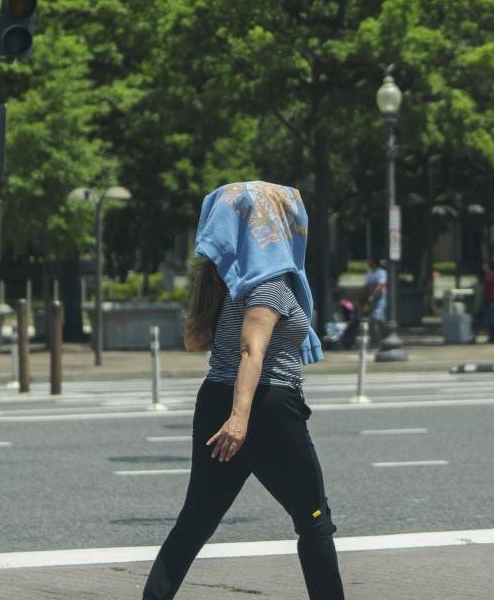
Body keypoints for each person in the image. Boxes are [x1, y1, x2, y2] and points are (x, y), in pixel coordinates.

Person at [142, 181, 345, 600]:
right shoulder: (268, 282)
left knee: (195, 521)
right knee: (314, 522)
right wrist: (240, 420)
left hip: (216, 398)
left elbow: (196, 343)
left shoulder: (227, 280)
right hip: (264, 407)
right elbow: (253, 350)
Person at [362, 257, 387, 345]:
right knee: (373, 318)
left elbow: (380, 285)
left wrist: (373, 295)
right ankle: (376, 338)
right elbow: (367, 285)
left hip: (380, 297)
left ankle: (384, 334)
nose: (368, 263)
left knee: (377, 317)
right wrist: (365, 296)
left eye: (370, 261)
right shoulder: (369, 273)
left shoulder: (381, 272)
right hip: (371, 298)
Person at [480, 262, 494, 343]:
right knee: (488, 319)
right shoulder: (486, 277)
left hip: (493, 299)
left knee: (492, 319)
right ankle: (491, 337)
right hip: (486, 299)